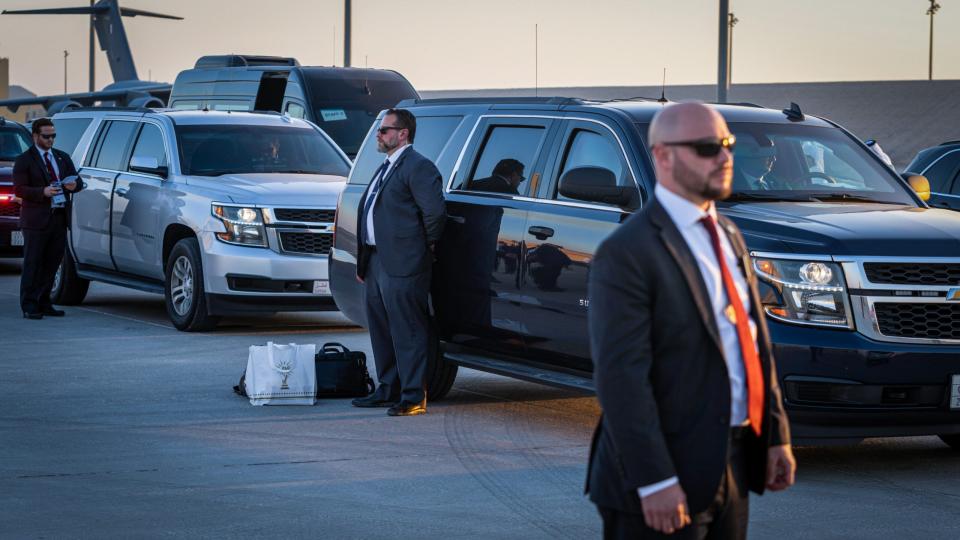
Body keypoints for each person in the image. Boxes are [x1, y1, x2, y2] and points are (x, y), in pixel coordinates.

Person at [586, 102, 795, 539]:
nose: (724, 158)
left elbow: (752, 344)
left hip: (732, 462)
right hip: (661, 476)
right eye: (706, 147)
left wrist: (775, 434)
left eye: (727, 145)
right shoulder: (628, 253)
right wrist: (655, 479)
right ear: (663, 156)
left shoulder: (729, 235)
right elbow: (622, 378)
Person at [352, 108, 446, 417]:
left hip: (405, 263)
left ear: (402, 133)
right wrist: (365, 262)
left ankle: (412, 395)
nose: (379, 136)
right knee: (381, 328)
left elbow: (434, 214)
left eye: (384, 130)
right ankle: (387, 388)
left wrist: (421, 248)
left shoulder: (419, 167)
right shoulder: (386, 166)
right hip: (377, 261)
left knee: (408, 330)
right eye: (380, 131)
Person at [13, 117, 81, 319]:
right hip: (36, 220)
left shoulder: (62, 157)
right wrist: (42, 192)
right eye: (46, 136)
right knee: (33, 263)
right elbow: (19, 189)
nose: (51, 140)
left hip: (59, 217)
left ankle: (44, 301)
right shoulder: (24, 160)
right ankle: (29, 304)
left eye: (53, 136)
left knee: (53, 262)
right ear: (35, 136)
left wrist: (74, 185)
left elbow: (78, 181)